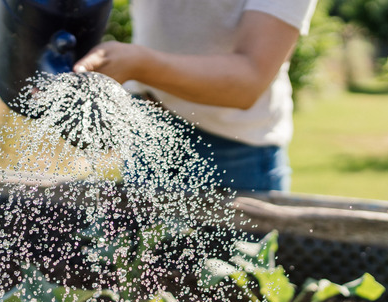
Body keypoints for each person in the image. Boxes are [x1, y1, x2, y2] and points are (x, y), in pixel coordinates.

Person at [72, 0, 318, 193]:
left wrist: (138, 65)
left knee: (235, 259)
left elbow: (248, 82)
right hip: (146, 129)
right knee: (137, 255)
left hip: (230, 152)